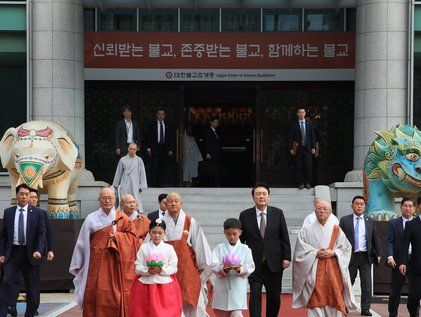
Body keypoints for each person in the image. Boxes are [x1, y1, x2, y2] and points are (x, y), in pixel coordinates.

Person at [69, 188, 139, 317]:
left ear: (115, 200)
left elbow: (133, 239)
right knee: (95, 293)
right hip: (96, 262)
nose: (107, 201)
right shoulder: (91, 218)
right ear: (99, 200)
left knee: (116, 296)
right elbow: (82, 242)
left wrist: (117, 236)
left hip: (115, 263)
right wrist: (78, 262)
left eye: (110, 198)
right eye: (104, 198)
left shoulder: (122, 218)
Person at [292, 199, 356, 316]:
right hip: (314, 268)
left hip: (333, 269)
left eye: (325, 209)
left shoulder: (336, 229)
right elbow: (300, 250)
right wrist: (315, 253)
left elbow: (346, 248)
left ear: (330, 212)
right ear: (315, 212)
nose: (321, 211)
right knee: (315, 298)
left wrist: (334, 252)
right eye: (319, 209)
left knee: (334, 296)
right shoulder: (306, 230)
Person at [239, 183, 291, 317]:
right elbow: (241, 240)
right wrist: (240, 259)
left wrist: (287, 257)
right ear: (253, 197)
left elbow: (284, 236)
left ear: (268, 196)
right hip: (254, 263)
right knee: (255, 295)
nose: (261, 196)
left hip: (274, 262)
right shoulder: (245, 215)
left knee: (274, 297)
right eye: (258, 194)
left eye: (264, 194)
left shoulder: (278, 213)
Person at [161, 192, 213, 317]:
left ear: (181, 204)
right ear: (165, 204)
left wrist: (201, 267)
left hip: (187, 269)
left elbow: (200, 245)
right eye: (170, 201)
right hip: (166, 270)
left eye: (176, 201)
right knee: (169, 301)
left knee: (193, 300)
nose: (173, 203)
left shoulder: (190, 221)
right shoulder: (159, 222)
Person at [0, 184, 46, 317]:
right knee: (6, 282)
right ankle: (2, 312)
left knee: (32, 287)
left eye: (27, 194)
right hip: (12, 254)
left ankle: (30, 313)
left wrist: (39, 250)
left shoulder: (37, 213)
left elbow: (41, 234)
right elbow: (3, 235)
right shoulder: (8, 212)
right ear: (17, 196)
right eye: (21, 194)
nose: (24, 197)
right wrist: (2, 254)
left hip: (30, 254)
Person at [8, 188, 55, 317]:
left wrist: (49, 249)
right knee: (13, 280)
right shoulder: (14, 212)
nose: (32, 199)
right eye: (31, 196)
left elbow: (46, 233)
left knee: (32, 284)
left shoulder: (41, 213)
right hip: (16, 253)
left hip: (34, 253)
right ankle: (11, 306)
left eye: (34, 197)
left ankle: (33, 307)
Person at [128, 219, 182, 317]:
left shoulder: (169, 248)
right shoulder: (144, 248)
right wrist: (147, 271)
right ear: (149, 232)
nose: (157, 235)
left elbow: (174, 267)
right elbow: (137, 267)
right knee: (143, 311)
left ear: (164, 233)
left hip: (164, 284)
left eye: (160, 233)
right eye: (154, 232)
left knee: (165, 313)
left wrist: (162, 270)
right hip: (145, 284)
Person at [339, 196, 381, 316]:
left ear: (365, 206)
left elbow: (375, 238)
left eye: (362, 204)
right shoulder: (344, 220)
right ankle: (344, 305)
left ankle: (365, 308)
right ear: (352, 206)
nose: (359, 206)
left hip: (365, 257)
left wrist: (378, 253)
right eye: (356, 204)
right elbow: (339, 238)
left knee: (367, 284)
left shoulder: (370, 220)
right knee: (348, 282)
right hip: (350, 256)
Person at [211, 218, 255, 317]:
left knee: (237, 314)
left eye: (234, 234)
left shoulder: (245, 249)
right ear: (224, 233)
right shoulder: (219, 248)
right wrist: (224, 268)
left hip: (237, 285)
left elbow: (250, 266)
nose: (231, 236)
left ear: (240, 232)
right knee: (221, 313)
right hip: (222, 286)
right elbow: (213, 264)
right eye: (228, 234)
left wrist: (239, 268)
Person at [386, 197, 416, 317]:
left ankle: (415, 313)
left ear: (414, 208)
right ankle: (392, 314)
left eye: (410, 206)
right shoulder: (394, 223)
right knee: (395, 291)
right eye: (405, 206)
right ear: (401, 207)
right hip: (398, 261)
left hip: (415, 261)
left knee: (415, 291)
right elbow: (389, 241)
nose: (407, 208)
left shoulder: (418, 224)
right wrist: (390, 256)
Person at [399, 207, 421, 317]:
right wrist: (403, 262)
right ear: (419, 206)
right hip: (417, 267)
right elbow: (404, 245)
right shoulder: (411, 224)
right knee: (414, 297)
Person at [112, 143, 147, 212]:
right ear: (128, 149)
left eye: (134, 149)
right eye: (131, 149)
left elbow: (142, 173)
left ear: (136, 150)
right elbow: (118, 173)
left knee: (135, 199)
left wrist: (141, 186)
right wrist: (115, 185)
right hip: (124, 182)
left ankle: (136, 213)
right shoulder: (122, 159)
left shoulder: (139, 160)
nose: (132, 151)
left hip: (135, 183)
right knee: (124, 199)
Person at [288, 108, 316, 189]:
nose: (301, 114)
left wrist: (313, 147)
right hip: (298, 149)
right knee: (299, 166)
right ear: (297, 114)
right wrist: (291, 148)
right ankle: (301, 183)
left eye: (303, 112)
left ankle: (308, 182)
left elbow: (312, 136)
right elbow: (290, 137)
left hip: (308, 149)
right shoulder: (294, 125)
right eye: (299, 112)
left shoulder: (309, 123)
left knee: (308, 166)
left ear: (305, 113)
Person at [146, 107, 173, 187]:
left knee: (162, 167)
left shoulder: (168, 124)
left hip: (164, 149)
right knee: (154, 166)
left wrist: (170, 149)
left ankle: (160, 184)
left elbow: (170, 138)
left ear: (164, 115)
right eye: (159, 114)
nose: (161, 116)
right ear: (156, 115)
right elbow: (148, 136)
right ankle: (153, 184)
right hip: (155, 147)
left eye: (162, 114)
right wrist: (148, 148)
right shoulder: (152, 124)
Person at [204, 117, 221, 187]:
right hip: (211, 154)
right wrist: (207, 153)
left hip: (216, 154)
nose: (216, 124)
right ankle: (212, 184)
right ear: (211, 122)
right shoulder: (209, 131)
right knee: (211, 169)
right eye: (215, 122)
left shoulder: (216, 131)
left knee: (216, 168)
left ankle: (216, 184)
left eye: (217, 122)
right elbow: (207, 142)